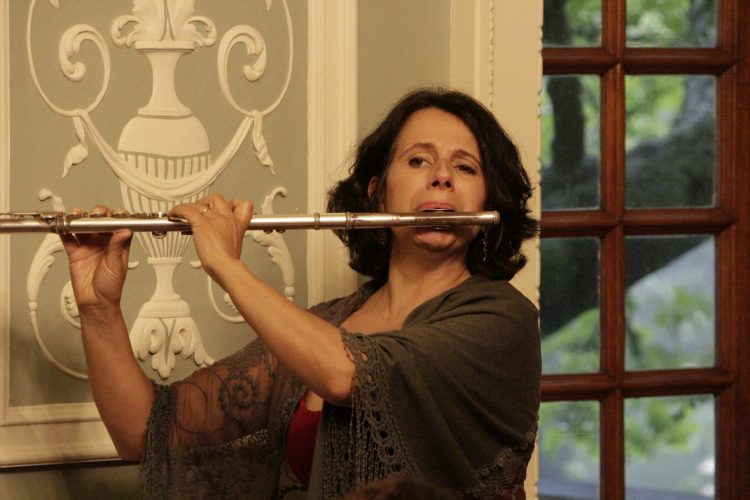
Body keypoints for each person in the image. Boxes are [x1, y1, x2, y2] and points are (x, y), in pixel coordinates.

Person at [62, 88, 540, 499]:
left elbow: (348, 376)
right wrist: (98, 306)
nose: (442, 177)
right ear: (378, 193)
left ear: (488, 199)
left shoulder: (500, 321)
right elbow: (142, 433)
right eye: (418, 160)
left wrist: (226, 265)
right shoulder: (326, 325)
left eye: (466, 167)